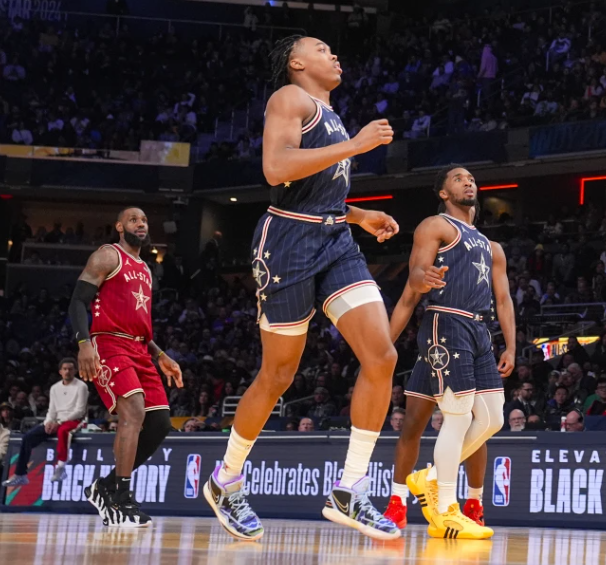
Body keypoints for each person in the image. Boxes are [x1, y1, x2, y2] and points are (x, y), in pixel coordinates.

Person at [203, 35, 400, 542]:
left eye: (335, 49)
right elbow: (276, 168)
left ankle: (350, 488)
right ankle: (226, 480)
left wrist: (358, 215)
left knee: (381, 356)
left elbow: (319, 191)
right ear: (296, 63)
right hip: (287, 240)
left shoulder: (332, 116)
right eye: (322, 48)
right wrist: (357, 145)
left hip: (335, 237)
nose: (335, 54)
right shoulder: (289, 99)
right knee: (278, 374)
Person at [382, 167, 513, 541]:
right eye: (458, 178)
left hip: (477, 330)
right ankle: (439, 507)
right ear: (442, 192)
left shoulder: (491, 247)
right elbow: (413, 284)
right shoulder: (435, 226)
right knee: (436, 420)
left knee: (491, 419)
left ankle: (434, 479)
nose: (468, 181)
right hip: (444, 324)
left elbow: (503, 300)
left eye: (471, 177)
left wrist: (512, 345)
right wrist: (384, 349)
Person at [67, 207, 182, 526]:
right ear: (119, 226)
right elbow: (78, 301)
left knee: (159, 424)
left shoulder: (145, 268)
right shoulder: (107, 255)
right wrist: (84, 343)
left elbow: (139, 321)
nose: (141, 224)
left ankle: (106, 488)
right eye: (133, 219)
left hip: (141, 349)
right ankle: (121, 497)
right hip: (109, 343)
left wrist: (161, 355)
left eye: (144, 220)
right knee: (133, 412)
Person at [3, 357, 88, 486]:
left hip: (75, 420)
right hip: (55, 421)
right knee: (28, 437)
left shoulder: (81, 386)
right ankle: (21, 474)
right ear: (60, 371)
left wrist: (58, 423)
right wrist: (48, 422)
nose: (67, 371)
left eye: (70, 369)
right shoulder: (54, 388)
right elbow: (52, 410)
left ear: (75, 371)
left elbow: (80, 411)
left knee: (63, 431)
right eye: (65, 369)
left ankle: (61, 467)